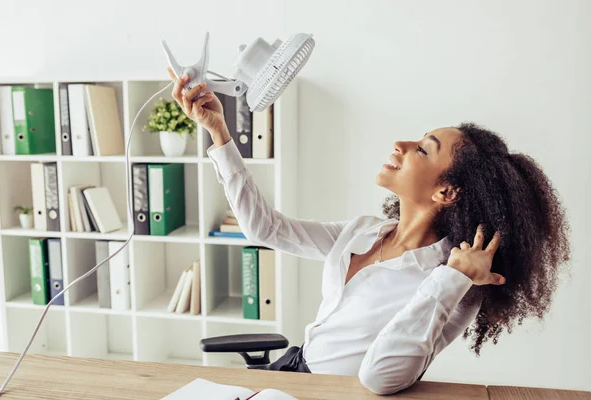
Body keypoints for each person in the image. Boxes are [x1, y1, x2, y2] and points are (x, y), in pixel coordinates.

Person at [166, 69, 572, 395]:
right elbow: (265, 228)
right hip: (291, 373)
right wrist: (219, 132)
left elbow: (381, 378)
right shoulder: (364, 232)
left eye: (423, 148)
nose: (400, 143)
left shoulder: (456, 280)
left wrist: (453, 278)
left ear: (446, 192)